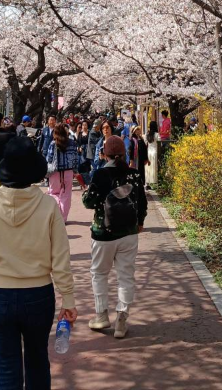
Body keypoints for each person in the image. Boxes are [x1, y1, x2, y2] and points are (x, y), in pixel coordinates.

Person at [0, 138, 76, 390]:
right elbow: (61, 257)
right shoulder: (48, 206)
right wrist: (68, 298)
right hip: (38, 295)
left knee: (7, 368)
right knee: (38, 362)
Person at [83, 136, 147, 339]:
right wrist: (140, 222)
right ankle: (122, 318)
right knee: (125, 276)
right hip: (129, 233)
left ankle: (101, 315)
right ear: (125, 153)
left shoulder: (100, 174)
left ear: (104, 154)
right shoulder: (135, 175)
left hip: (103, 233)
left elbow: (88, 202)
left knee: (99, 273)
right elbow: (142, 202)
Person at [46, 123, 79, 221]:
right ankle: (63, 218)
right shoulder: (72, 143)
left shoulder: (53, 143)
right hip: (68, 172)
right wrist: (75, 170)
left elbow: (49, 158)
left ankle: (57, 215)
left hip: (55, 172)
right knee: (66, 195)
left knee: (53, 193)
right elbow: (75, 158)